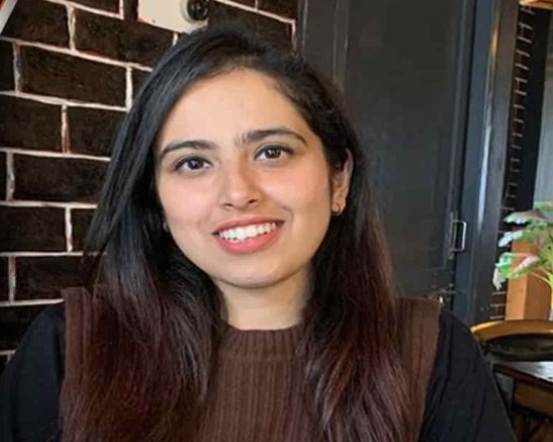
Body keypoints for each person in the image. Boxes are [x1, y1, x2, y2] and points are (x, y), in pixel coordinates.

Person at [0, 23, 516, 442]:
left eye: (272, 152)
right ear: (155, 201)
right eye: (193, 162)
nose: (238, 191)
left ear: (338, 181)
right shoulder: (69, 349)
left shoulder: (433, 353)